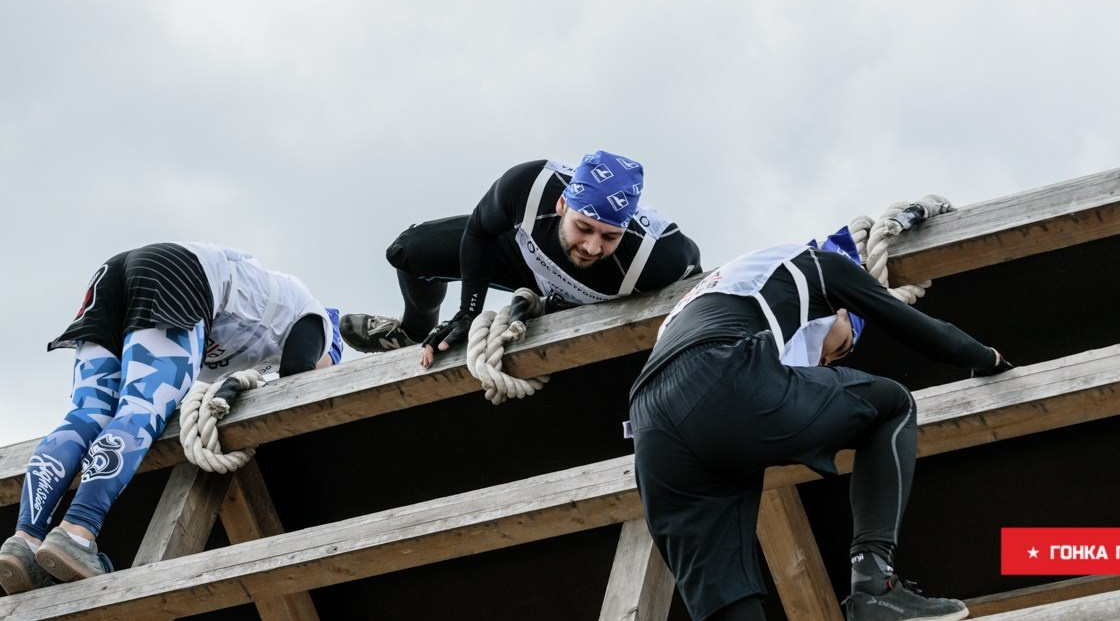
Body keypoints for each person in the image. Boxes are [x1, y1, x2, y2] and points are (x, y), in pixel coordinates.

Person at [628, 226, 1014, 621]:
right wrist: (989, 357)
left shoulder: (713, 300)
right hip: (720, 376)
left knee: (724, 595)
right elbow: (921, 330)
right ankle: (875, 586)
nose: (825, 362)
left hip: (650, 424)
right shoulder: (818, 263)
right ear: (840, 311)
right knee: (890, 405)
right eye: (842, 348)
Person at [0, 243, 342, 594]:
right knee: (141, 407)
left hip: (117, 275)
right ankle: (77, 531)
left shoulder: (257, 319)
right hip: (176, 275)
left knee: (87, 414)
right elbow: (298, 373)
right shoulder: (317, 319)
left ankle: (24, 540)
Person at [340, 150, 702, 368]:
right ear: (562, 205)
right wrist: (468, 312)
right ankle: (412, 332)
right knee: (410, 250)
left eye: (610, 237)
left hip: (592, 297)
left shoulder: (659, 257)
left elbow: (696, 293)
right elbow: (479, 231)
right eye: (583, 228)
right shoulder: (528, 187)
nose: (592, 247)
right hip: (529, 261)